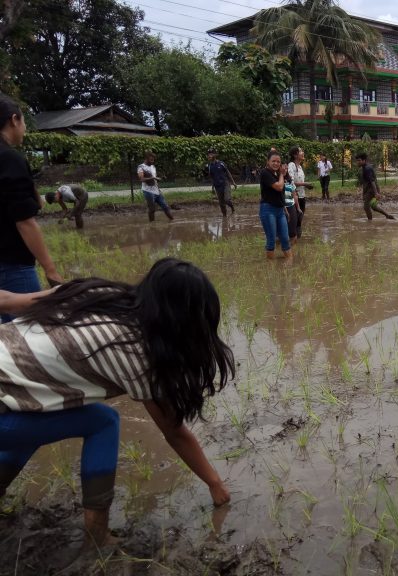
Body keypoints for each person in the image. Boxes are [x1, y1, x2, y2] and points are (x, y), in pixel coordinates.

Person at [0, 258, 235, 548]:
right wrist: (215, 483)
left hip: (10, 390)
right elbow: (174, 431)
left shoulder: (95, 293)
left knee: (38, 407)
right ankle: (97, 534)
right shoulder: (137, 352)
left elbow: (9, 301)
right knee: (102, 421)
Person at [0, 94, 62, 323]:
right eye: (24, 121)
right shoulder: (9, 158)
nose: (25, 128)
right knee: (30, 330)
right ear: (14, 120)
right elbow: (24, 221)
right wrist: (51, 269)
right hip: (12, 264)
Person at [259, 150, 293, 260]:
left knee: (285, 238)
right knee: (271, 239)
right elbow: (279, 187)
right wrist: (282, 175)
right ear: (268, 162)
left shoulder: (278, 174)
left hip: (280, 210)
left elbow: (281, 194)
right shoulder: (264, 173)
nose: (276, 163)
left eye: (278, 161)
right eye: (273, 161)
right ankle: (270, 268)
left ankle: (290, 263)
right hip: (268, 210)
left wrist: (285, 210)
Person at [355, 152, 395, 220]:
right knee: (373, 206)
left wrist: (376, 193)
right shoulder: (364, 167)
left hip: (371, 190)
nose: (357, 162)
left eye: (359, 160)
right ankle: (387, 215)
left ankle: (370, 223)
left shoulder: (367, 168)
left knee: (366, 207)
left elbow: (372, 181)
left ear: (364, 160)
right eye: (357, 161)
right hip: (370, 189)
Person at [137, 151, 173, 222]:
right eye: (151, 160)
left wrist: (158, 186)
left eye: (153, 160)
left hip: (156, 190)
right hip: (148, 191)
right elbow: (141, 179)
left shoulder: (153, 167)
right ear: (146, 159)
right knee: (152, 209)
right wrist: (153, 178)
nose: (152, 161)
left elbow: (154, 179)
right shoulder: (141, 167)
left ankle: (172, 220)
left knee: (165, 206)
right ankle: (152, 224)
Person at [288, 147, 313, 234]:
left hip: (302, 196)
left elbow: (299, 182)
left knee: (299, 220)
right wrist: (304, 184)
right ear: (295, 155)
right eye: (300, 151)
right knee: (294, 221)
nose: (303, 152)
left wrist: (306, 185)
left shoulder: (300, 167)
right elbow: (290, 182)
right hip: (294, 197)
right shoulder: (291, 165)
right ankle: (292, 238)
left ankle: (296, 240)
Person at [205, 149, 237, 216]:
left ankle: (232, 208)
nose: (209, 155)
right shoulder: (209, 166)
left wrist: (233, 182)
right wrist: (212, 188)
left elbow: (228, 173)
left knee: (227, 199)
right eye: (208, 154)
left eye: (211, 154)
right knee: (221, 204)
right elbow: (212, 178)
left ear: (215, 155)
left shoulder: (221, 163)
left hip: (225, 184)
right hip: (217, 186)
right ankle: (224, 218)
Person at [283, 162, 302, 245]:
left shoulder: (290, 181)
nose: (285, 169)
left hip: (291, 206)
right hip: (281, 207)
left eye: (286, 168)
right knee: (281, 231)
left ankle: (293, 251)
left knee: (292, 232)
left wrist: (298, 208)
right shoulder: (276, 180)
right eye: (283, 167)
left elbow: (294, 195)